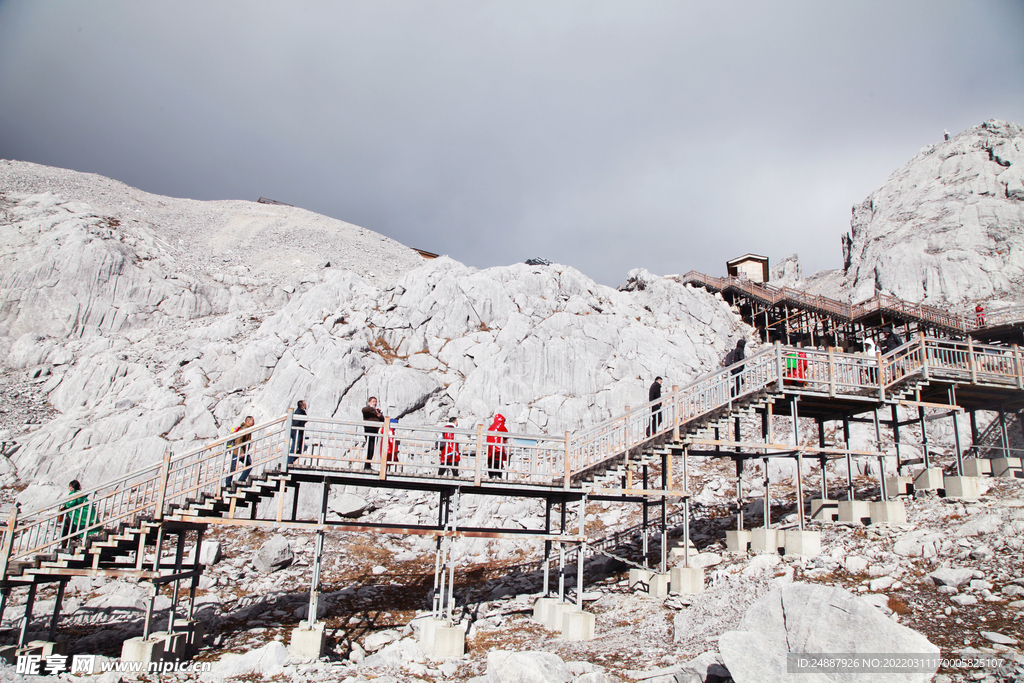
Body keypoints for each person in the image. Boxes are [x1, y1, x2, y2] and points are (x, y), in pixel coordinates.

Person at [60, 480, 98, 546]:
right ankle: (73, 539)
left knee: (68, 527)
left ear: (73, 487)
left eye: (70, 486)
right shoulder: (81, 493)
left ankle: (67, 542)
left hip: (74, 514)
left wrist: (66, 505)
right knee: (70, 527)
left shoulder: (74, 493)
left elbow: (72, 503)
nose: (69, 488)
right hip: (80, 513)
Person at [226, 415, 255, 486]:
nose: (254, 422)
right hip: (237, 451)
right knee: (233, 467)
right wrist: (241, 452)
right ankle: (228, 483)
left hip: (241, 451)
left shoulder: (247, 429)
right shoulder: (244, 429)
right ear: (248, 421)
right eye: (252, 421)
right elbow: (239, 441)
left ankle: (241, 480)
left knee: (248, 465)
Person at [361, 397, 384, 471]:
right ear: (369, 403)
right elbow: (364, 410)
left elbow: (382, 420)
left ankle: (368, 464)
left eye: (376, 401)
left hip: (375, 430)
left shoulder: (375, 411)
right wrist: (374, 409)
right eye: (373, 401)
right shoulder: (368, 410)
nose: (375, 403)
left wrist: (380, 416)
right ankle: (367, 465)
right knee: (369, 446)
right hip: (369, 429)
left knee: (372, 448)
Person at [486, 413, 509, 479]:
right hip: (498, 449)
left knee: (491, 463)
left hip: (490, 450)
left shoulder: (491, 426)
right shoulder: (500, 425)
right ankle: (498, 476)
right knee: (498, 464)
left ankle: (491, 476)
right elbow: (506, 434)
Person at [288, 400, 307, 465]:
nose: (306, 405)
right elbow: (296, 423)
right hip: (297, 432)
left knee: (299, 447)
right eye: (304, 404)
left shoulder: (300, 412)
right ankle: (289, 461)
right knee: (295, 447)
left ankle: (290, 460)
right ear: (302, 406)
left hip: (298, 432)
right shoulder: (298, 412)